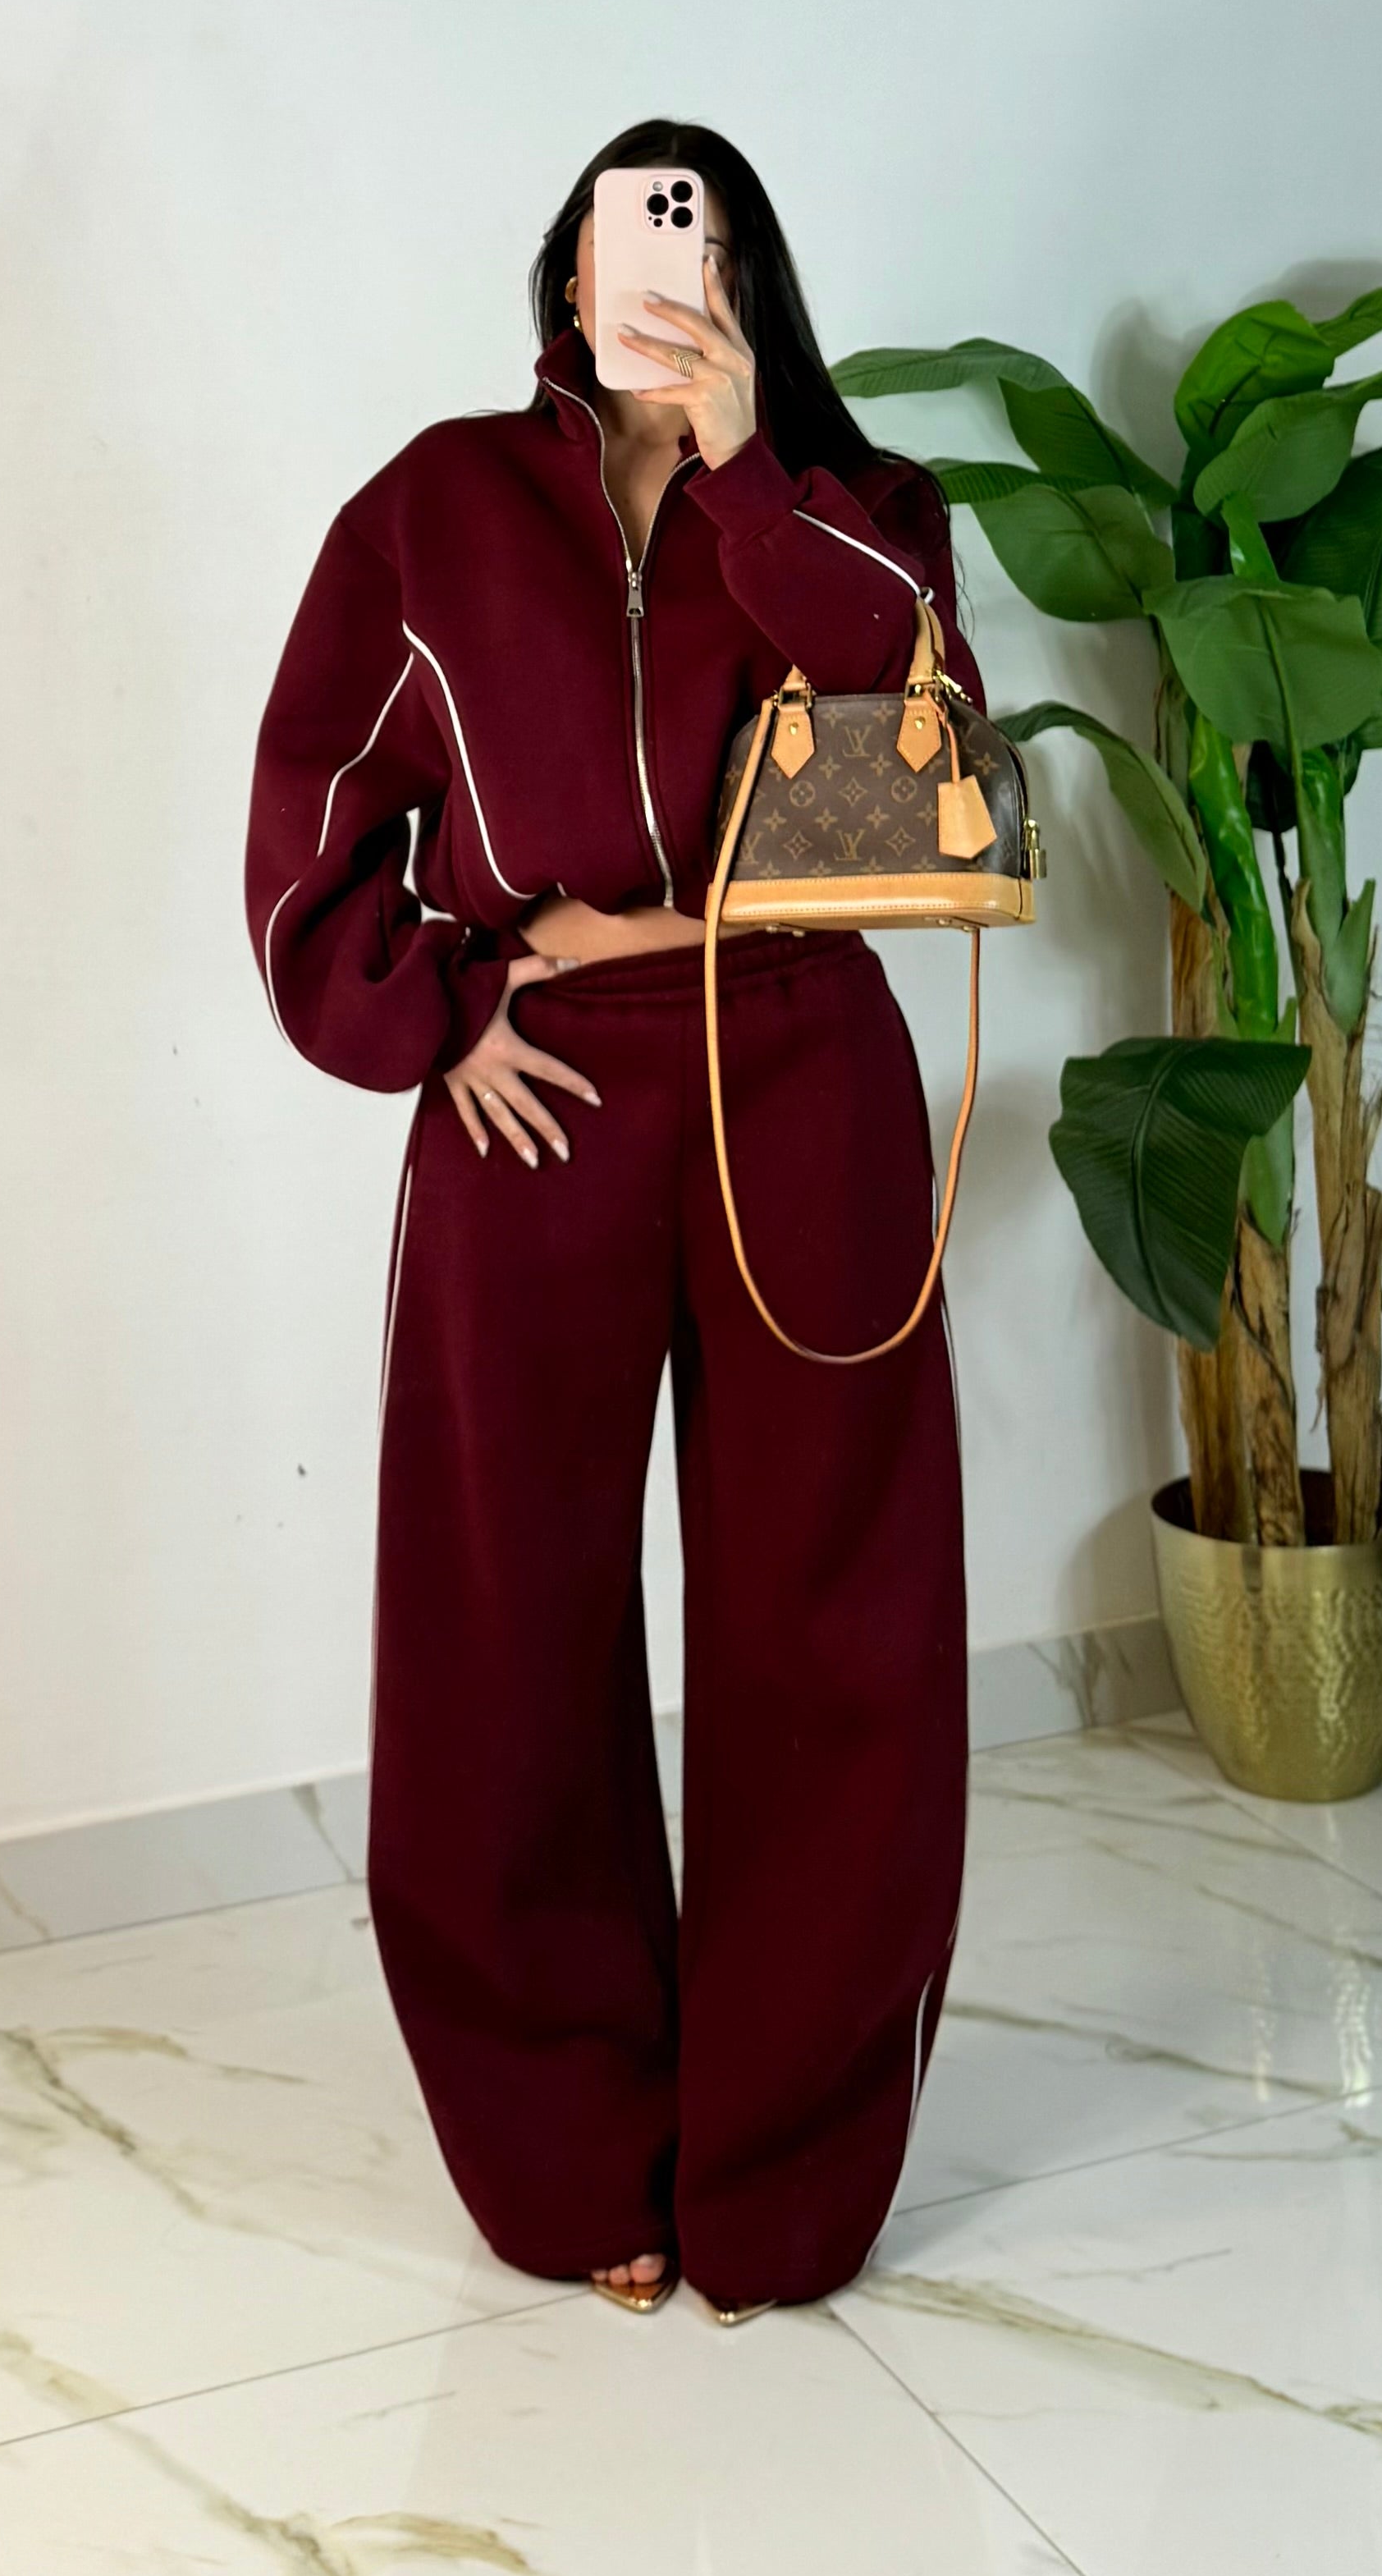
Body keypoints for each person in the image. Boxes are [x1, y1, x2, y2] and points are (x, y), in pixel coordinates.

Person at [244, 118, 983, 2325]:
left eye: (703, 237)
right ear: (564, 282)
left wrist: (753, 474)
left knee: (833, 1625)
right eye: (626, 236)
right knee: (504, 1631)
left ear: (747, 282)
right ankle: (568, 2152)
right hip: (537, 1096)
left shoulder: (858, 510)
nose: (661, 268)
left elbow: (913, 730)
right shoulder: (433, 512)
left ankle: (788, 2175)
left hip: (801, 1071)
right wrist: (436, 1006)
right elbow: (307, 825)